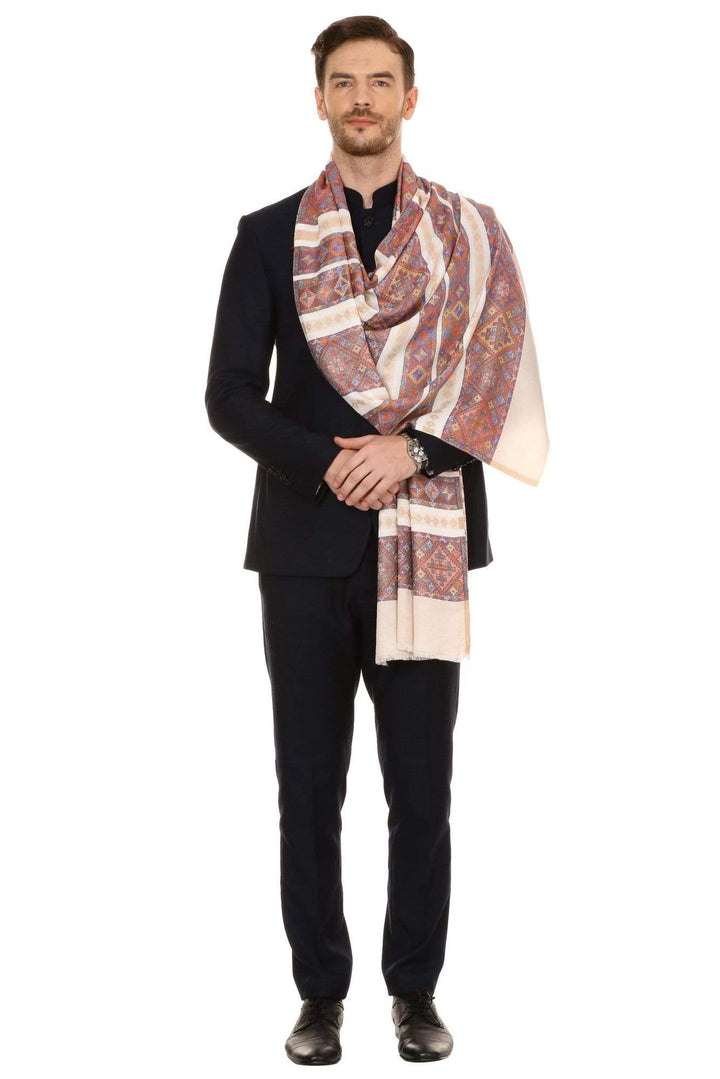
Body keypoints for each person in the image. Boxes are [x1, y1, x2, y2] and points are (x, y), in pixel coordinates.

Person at [205, 14, 549, 1066]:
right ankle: (320, 996)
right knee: (309, 787)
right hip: (303, 551)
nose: (362, 97)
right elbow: (228, 396)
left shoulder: (471, 234)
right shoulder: (267, 235)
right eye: (344, 81)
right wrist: (331, 459)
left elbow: (494, 380)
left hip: (425, 541)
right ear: (318, 99)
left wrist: (410, 453)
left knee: (421, 788)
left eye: (381, 80)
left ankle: (415, 992)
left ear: (411, 97)